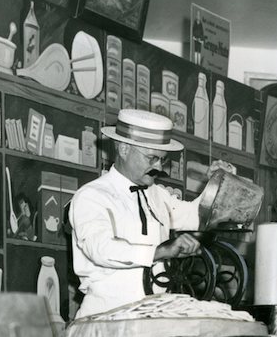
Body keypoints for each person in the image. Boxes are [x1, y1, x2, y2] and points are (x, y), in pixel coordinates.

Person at [68, 109, 205, 318]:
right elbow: (101, 248)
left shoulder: (159, 196)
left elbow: (198, 217)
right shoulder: (92, 196)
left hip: (155, 318)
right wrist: (159, 251)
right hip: (106, 320)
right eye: (152, 158)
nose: (158, 167)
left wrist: (218, 184)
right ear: (123, 149)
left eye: (162, 159)